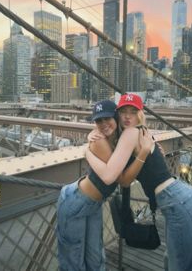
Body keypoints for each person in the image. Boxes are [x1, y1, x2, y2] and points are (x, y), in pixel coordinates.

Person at [86, 93, 192, 271]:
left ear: (140, 114)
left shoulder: (131, 133)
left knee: (180, 263)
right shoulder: (142, 132)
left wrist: (87, 152)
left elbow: (125, 181)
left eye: (132, 112)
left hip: (177, 202)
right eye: (123, 111)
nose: (127, 116)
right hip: (183, 198)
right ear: (117, 114)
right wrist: (93, 134)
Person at [56, 99, 154, 271]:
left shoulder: (118, 138)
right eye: (98, 120)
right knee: (73, 258)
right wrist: (87, 150)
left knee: (95, 256)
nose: (103, 124)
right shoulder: (99, 140)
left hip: (93, 204)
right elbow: (116, 177)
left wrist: (153, 148)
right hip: (75, 201)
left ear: (116, 117)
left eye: (107, 118)